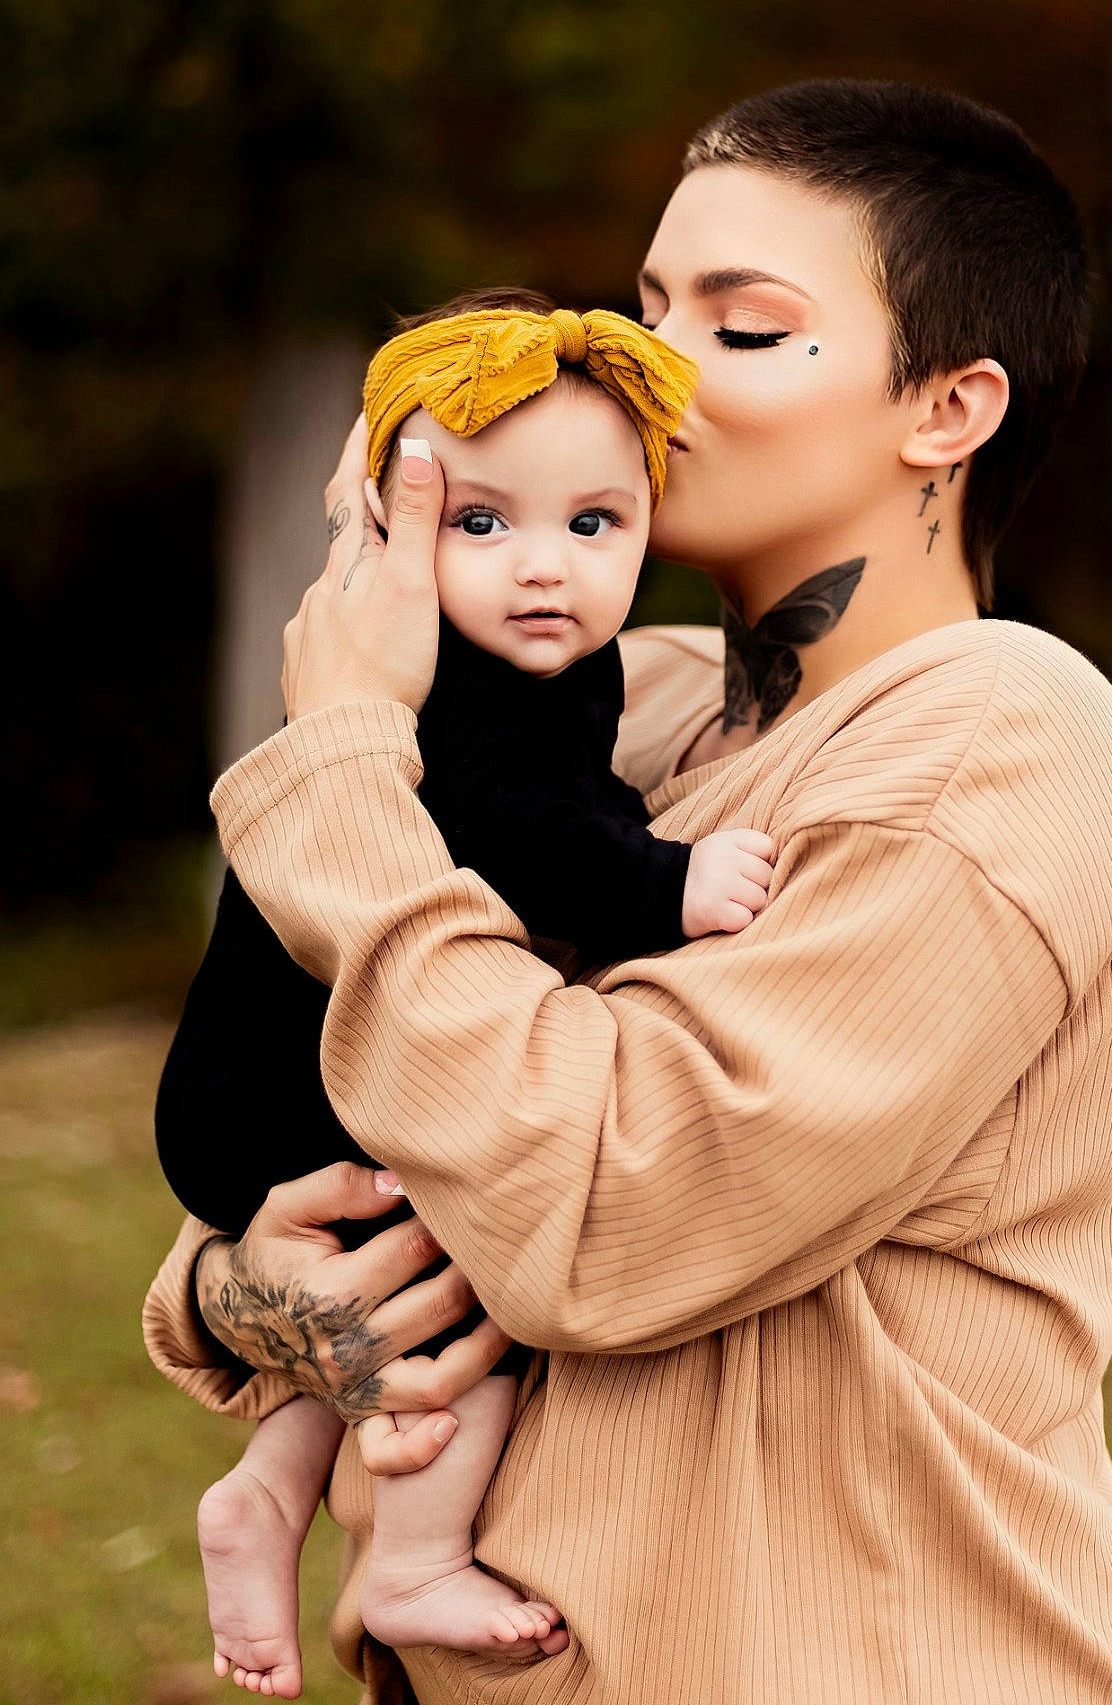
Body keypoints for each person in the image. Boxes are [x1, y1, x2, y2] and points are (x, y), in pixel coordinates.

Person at [143, 79, 1112, 1704]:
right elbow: (377, 1106)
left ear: (946, 409)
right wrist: (234, 1287)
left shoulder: (997, 739)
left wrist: (345, 757)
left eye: (741, 326)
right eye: (644, 307)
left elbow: (602, 1213)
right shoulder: (620, 711)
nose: (650, 369)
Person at [154, 292, 778, 1693]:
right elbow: (511, 833)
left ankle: (269, 1490)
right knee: (474, 1251)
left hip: (277, 1080)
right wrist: (663, 883)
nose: (541, 568)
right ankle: (417, 1558)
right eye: (478, 523)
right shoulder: (450, 682)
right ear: (389, 531)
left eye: (593, 523)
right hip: (279, 1085)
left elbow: (555, 804)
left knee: (404, 1267)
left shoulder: (566, 666)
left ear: (649, 523)